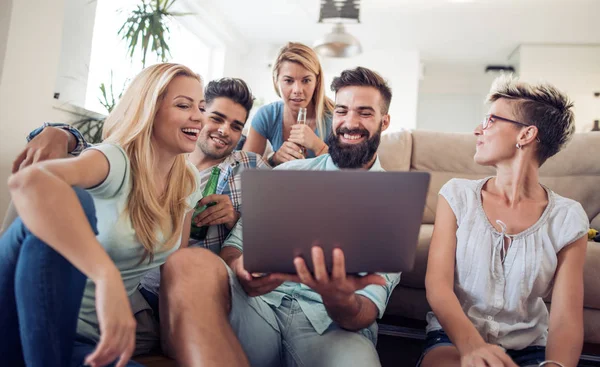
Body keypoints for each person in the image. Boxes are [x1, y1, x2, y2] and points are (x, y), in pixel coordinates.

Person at [160, 67, 400, 367]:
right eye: (342, 110)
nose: (350, 122)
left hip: (331, 330)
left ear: (384, 121)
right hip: (258, 310)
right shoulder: (286, 174)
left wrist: (337, 297)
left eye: (364, 113)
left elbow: (364, 311)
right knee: (187, 262)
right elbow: (233, 249)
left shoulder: (392, 204)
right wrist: (241, 269)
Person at [10, 77, 271, 354]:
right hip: (104, 290)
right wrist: (61, 132)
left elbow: (273, 216)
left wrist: (236, 219)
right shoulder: (130, 159)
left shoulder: (236, 168)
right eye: (215, 117)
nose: (224, 130)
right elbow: (98, 155)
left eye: (235, 126)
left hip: (162, 296)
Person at [0, 63, 205, 367]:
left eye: (201, 106)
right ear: (150, 110)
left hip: (87, 344)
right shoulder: (115, 159)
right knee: (75, 202)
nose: (198, 116)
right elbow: (29, 182)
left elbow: (175, 271)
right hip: (19, 317)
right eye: (183, 105)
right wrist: (104, 274)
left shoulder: (187, 180)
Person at [421, 75, 589, 367]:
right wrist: (472, 347)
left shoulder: (568, 218)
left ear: (525, 135)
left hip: (530, 347)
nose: (477, 130)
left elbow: (566, 318)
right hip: (455, 338)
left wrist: (555, 365)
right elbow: (438, 286)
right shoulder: (456, 195)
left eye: (490, 121)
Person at [243, 42, 334, 166]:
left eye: (306, 80)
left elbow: (349, 172)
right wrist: (274, 159)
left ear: (317, 82)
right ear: (276, 81)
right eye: (288, 80)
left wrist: (318, 146)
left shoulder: (336, 117)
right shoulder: (267, 115)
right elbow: (244, 170)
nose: (297, 90)